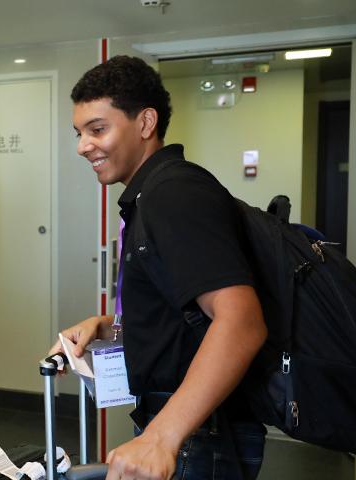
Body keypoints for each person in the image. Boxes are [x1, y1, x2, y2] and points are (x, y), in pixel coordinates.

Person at [50, 56, 268, 480]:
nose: (82, 146)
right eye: (79, 133)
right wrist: (111, 326)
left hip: (196, 432)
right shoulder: (151, 195)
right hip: (187, 424)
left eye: (98, 129)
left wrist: (162, 437)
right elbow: (186, 315)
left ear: (146, 122)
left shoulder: (174, 194)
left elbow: (242, 320)